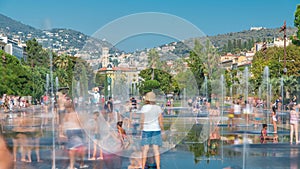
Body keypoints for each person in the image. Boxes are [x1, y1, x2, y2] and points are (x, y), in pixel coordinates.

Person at [140, 92, 164, 169]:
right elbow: (160, 121)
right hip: (156, 129)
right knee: (156, 150)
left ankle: (143, 166)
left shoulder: (144, 107)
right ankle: (158, 166)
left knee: (145, 149)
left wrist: (141, 129)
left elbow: (142, 120)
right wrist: (163, 131)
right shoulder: (158, 108)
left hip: (146, 130)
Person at [63, 97, 88, 169]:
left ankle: (72, 165)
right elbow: (81, 123)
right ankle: (80, 164)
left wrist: (63, 132)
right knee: (81, 148)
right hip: (77, 130)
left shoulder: (66, 115)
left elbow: (64, 125)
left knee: (72, 148)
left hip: (70, 131)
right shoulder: (76, 114)